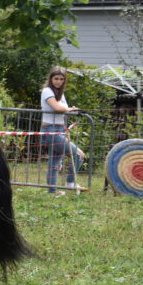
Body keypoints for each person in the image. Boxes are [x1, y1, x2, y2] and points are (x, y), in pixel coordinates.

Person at [40, 66, 85, 194]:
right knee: (79, 154)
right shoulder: (47, 91)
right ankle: (70, 183)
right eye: (56, 78)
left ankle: (52, 192)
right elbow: (57, 108)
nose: (58, 81)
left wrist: (72, 110)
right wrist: (68, 109)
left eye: (61, 79)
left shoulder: (60, 93)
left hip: (59, 129)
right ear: (51, 79)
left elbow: (62, 111)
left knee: (54, 163)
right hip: (50, 130)